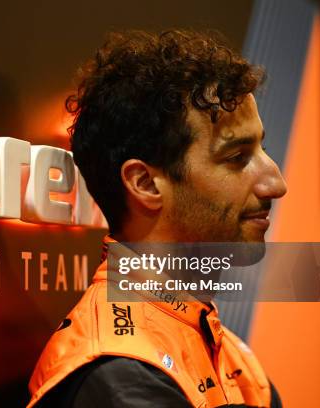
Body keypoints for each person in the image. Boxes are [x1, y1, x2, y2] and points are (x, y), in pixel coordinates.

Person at [27, 30, 287, 407]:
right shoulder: (119, 375)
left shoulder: (234, 357)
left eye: (262, 148)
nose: (275, 183)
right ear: (145, 183)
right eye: (236, 158)